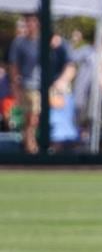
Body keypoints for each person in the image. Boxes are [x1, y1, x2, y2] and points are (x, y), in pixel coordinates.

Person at [8, 15, 76, 154]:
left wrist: (61, 82)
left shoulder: (49, 41)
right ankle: (31, 148)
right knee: (31, 118)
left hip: (48, 87)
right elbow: (14, 67)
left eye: (32, 21)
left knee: (51, 115)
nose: (29, 25)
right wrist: (16, 87)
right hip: (29, 86)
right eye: (27, 22)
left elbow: (69, 63)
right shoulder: (20, 43)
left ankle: (51, 146)